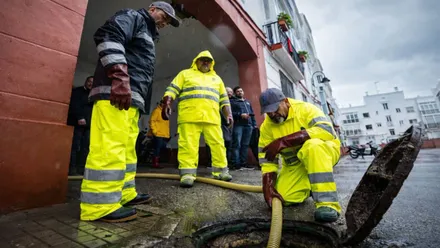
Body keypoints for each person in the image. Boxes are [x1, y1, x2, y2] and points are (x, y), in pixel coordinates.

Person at [80, 1, 180, 223]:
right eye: (165, 16)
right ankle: (99, 206)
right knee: (109, 147)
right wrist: (119, 77)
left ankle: (124, 194)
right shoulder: (133, 17)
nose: (165, 22)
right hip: (114, 94)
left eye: (169, 22)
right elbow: (108, 35)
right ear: (152, 8)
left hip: (129, 100)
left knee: (126, 150)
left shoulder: (147, 35)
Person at [258, 88, 341, 223]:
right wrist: (268, 186)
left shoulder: (306, 109)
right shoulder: (266, 128)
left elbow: (326, 130)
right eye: (268, 112)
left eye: (275, 109)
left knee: (312, 146)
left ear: (286, 102)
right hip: (295, 164)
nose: (272, 114)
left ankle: (328, 205)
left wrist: (284, 141)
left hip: (323, 152)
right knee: (285, 197)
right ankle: (310, 185)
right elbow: (267, 160)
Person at [161, 50, 234, 188]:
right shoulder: (185, 74)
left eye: (208, 60)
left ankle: (221, 171)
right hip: (189, 116)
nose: (206, 62)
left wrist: (228, 114)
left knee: (218, 144)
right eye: (203, 59)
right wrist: (167, 103)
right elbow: (172, 90)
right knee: (188, 145)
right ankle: (187, 173)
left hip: (212, 117)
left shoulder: (217, 79)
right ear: (196, 61)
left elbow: (224, 100)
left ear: (212, 63)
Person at [67, 76, 94, 176]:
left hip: (89, 126)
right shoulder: (77, 92)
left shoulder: (94, 96)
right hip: (78, 124)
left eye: (93, 82)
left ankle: (81, 169)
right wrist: (80, 117)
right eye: (89, 81)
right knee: (75, 147)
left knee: (86, 148)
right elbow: (74, 106)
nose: (90, 84)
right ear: (86, 82)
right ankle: (72, 168)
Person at [231, 86, 257, 170]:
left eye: (241, 91)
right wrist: (240, 115)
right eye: (238, 91)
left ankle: (244, 163)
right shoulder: (233, 102)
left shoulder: (247, 102)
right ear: (235, 93)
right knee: (237, 144)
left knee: (245, 145)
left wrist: (254, 124)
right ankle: (237, 164)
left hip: (248, 125)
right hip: (238, 125)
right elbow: (231, 113)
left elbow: (252, 114)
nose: (240, 92)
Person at [147, 101, 170, 168]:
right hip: (158, 134)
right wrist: (155, 131)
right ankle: (155, 164)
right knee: (157, 148)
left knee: (162, 147)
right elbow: (152, 121)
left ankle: (157, 162)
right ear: (161, 104)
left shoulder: (165, 112)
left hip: (164, 134)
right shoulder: (157, 111)